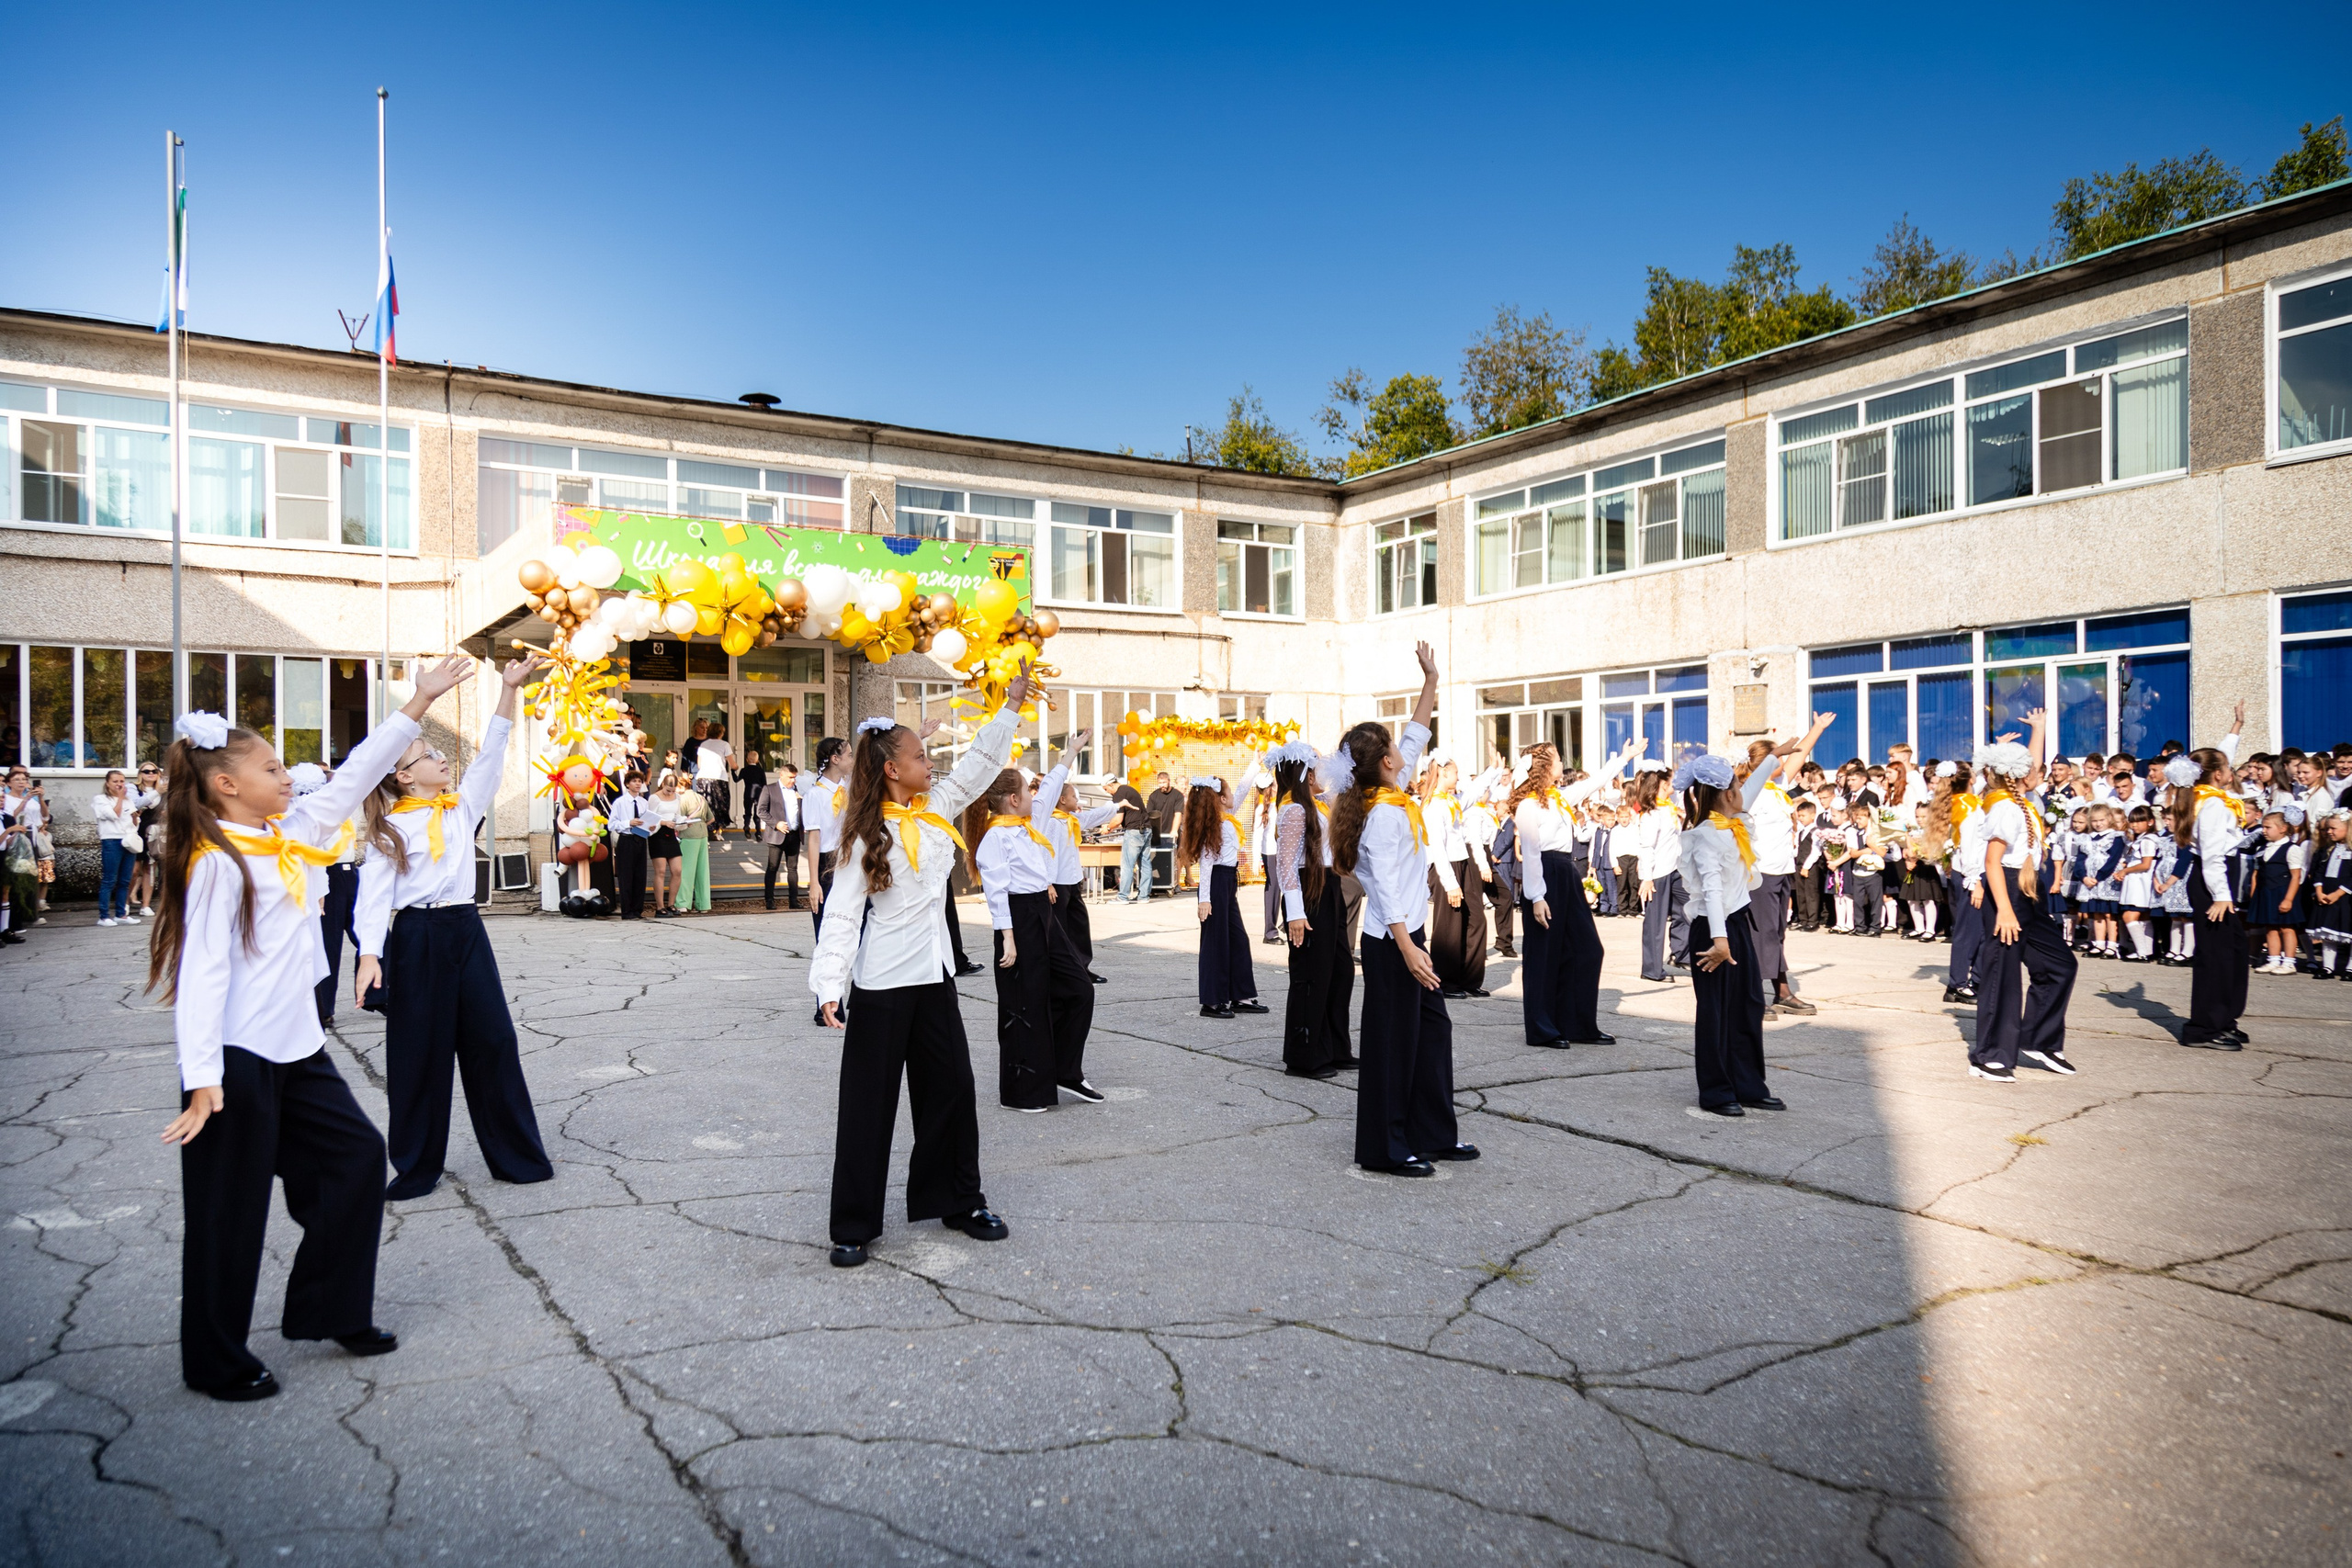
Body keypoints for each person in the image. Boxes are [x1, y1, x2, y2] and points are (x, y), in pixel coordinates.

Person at [151, 656, 471, 1401]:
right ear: (227, 785)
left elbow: (359, 773)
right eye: (270, 766)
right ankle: (215, 1359)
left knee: (356, 1161)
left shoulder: (291, 832)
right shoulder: (217, 863)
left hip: (297, 1050)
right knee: (228, 1213)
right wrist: (201, 1079)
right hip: (233, 1061)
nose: (288, 774)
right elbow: (200, 977)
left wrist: (419, 700)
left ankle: (331, 1309)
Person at [811, 677, 1036, 1268]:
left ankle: (959, 1201)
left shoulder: (936, 808)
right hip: (882, 986)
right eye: (918, 755)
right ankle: (854, 1224)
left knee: (952, 1095)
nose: (929, 762)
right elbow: (841, 913)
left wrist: (1010, 707)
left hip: (934, 982)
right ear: (890, 769)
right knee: (868, 1106)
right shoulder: (865, 833)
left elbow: (981, 765)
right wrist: (829, 984)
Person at [354, 654, 555, 1201]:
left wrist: (509, 690)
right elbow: (372, 901)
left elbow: (492, 755)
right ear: (401, 775)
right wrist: (370, 956)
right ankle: (417, 1166)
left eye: (441, 752)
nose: (443, 759)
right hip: (416, 938)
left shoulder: (460, 807)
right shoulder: (388, 828)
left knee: (493, 1041)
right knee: (419, 1054)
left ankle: (515, 1157)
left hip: (466, 930)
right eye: (429, 754)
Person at [1329, 640, 1475, 1177]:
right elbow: (1386, 887)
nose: (1405, 753)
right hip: (1396, 944)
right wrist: (1410, 948)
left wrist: (1431, 681)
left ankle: (1432, 1133)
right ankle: (1384, 1148)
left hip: (1407, 936)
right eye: (1395, 750)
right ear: (1386, 764)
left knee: (1433, 1033)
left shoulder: (1385, 792)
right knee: (1393, 1046)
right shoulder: (1385, 813)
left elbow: (1416, 733)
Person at [1678, 730, 1813, 1116]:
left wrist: (1776, 758)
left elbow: (1752, 788)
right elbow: (1713, 893)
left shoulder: (1731, 817)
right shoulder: (1705, 836)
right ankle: (1717, 1092)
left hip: (1736, 923)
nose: (1742, 788)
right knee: (1716, 1012)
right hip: (1713, 931)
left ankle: (1749, 1085)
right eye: (1736, 784)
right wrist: (1720, 942)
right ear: (1724, 794)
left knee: (1749, 1004)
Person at [965, 757, 1099, 1113]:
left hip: (1042, 913)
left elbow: (1051, 790)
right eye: (1027, 790)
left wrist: (1070, 754)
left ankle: (1064, 1070)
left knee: (1079, 989)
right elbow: (996, 891)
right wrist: (1007, 937)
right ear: (1012, 798)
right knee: (1025, 1005)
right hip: (1019, 921)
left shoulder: (1027, 826)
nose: (1033, 795)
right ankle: (1024, 1092)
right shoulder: (995, 837)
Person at [1511, 732, 1643, 1048]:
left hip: (1566, 873)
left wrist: (1624, 759)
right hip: (1543, 877)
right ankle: (1543, 1029)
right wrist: (1537, 896)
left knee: (1587, 949)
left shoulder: (1557, 798)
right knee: (1544, 955)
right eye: (1557, 758)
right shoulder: (1528, 806)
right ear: (1543, 767)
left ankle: (1578, 1024)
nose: (1561, 762)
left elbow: (1593, 782)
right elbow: (1530, 853)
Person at [1972, 710, 2079, 1082]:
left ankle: (2038, 1039)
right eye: (2031, 770)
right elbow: (1992, 861)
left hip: (2028, 893)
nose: (2040, 773)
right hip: (2009, 892)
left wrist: (2040, 729)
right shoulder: (2003, 805)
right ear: (2016, 776)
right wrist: (2003, 910)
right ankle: (1990, 1055)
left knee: (2061, 965)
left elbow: (2031, 767)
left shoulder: (2023, 799)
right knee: (2002, 975)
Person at [1270, 739, 1352, 1078]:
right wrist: (1295, 913)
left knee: (1340, 971)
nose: (1321, 773)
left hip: (1328, 888)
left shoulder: (1316, 806)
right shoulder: (1293, 810)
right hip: (1308, 894)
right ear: (1303, 773)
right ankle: (1304, 1057)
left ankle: (1334, 1048)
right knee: (1311, 976)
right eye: (1315, 768)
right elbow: (1286, 865)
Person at [1744, 725, 1830, 1017]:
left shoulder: (1777, 788)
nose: (1785, 762)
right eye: (1778, 758)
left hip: (1781, 871)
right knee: (1763, 933)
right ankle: (1753, 995)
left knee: (1777, 933)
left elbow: (1801, 753)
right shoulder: (1750, 792)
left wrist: (1816, 728)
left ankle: (1781, 992)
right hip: (1760, 873)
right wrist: (1774, 756)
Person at [1183, 773, 1266, 1019]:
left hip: (1228, 883)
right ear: (1219, 799)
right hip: (1216, 885)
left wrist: (1254, 765)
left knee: (1238, 940)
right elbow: (1207, 866)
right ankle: (1212, 1001)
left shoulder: (1225, 818)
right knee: (1215, 943)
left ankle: (1241, 995)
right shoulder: (1215, 826)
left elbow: (1239, 791)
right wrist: (1204, 900)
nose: (1233, 797)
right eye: (1227, 794)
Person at [1036, 734, 1111, 981]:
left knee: (1079, 924)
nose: (1078, 802)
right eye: (1074, 797)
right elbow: (1047, 852)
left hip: (1072, 880)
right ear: (1062, 799)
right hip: (1057, 883)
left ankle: (1082, 967)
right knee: (1061, 929)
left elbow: (1091, 818)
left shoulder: (1071, 819)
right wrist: (1047, 881)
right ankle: (1065, 972)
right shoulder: (1053, 823)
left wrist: (1116, 806)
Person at [1422, 757, 1493, 998]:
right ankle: (1446, 982)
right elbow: (1437, 848)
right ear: (1442, 772)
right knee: (1449, 926)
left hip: (1462, 862)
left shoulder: (1451, 800)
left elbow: (1472, 795)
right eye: (1455, 772)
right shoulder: (1433, 806)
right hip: (1445, 866)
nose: (1458, 776)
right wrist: (1450, 884)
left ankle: (1470, 979)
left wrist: (1492, 771)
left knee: (1476, 920)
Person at [1627, 762, 1686, 983]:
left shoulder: (1670, 806)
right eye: (1670, 780)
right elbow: (1646, 847)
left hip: (1676, 868)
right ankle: (1651, 969)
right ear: (1661, 783)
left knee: (1691, 908)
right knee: (1655, 922)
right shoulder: (1651, 813)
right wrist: (1646, 877)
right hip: (1658, 872)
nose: (1674, 783)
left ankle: (1681, 953)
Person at [2245, 807, 2308, 976]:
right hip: (2265, 893)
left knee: (2287, 928)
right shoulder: (2263, 849)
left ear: (2282, 828)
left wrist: (2288, 899)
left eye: (2268, 827)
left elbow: (2296, 876)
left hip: (2283, 892)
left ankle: (2289, 962)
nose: (2264, 831)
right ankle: (2273, 959)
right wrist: (2254, 893)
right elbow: (2256, 874)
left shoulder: (2291, 849)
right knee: (2270, 927)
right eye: (2263, 827)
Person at [1464, 780, 1515, 960]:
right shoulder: (1473, 812)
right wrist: (1484, 865)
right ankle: (1475, 948)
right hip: (1474, 855)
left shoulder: (1487, 811)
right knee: (1475, 903)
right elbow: (1475, 839)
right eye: (1487, 790)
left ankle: (1504, 941)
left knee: (1504, 897)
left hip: (1486, 854)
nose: (1489, 793)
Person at [92, 768, 149, 925]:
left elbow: (134, 823)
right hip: (112, 841)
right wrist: (120, 798)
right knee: (109, 879)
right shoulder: (100, 799)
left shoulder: (128, 801)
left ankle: (121, 914)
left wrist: (136, 817)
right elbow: (113, 814)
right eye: (115, 781)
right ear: (108, 783)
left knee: (125, 879)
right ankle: (104, 916)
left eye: (122, 781)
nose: (119, 784)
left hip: (128, 841)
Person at [2307, 810, 2352, 978]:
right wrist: (2319, 890)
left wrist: (2339, 893)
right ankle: (2327, 967)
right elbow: (2318, 871)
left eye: (2333, 828)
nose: (2329, 832)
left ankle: (2350, 968)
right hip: (2326, 895)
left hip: (2346, 898)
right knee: (2328, 934)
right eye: (2327, 829)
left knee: (2348, 932)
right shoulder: (2327, 849)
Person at [607, 772, 655, 919]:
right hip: (626, 839)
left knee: (640, 876)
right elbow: (611, 824)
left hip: (640, 839)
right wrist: (628, 822)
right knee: (626, 876)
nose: (638, 784)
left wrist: (650, 827)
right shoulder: (620, 802)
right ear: (628, 784)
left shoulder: (643, 802)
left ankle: (637, 909)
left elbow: (648, 820)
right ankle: (627, 911)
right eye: (634, 781)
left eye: (640, 781)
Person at [758, 765, 803, 910]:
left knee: (793, 868)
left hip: (794, 834)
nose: (793, 780)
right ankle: (769, 900)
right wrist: (775, 824)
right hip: (777, 834)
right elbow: (761, 811)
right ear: (782, 775)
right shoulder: (770, 789)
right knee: (773, 867)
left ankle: (794, 901)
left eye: (795, 777)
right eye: (790, 777)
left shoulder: (798, 790)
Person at [130, 760, 165, 917]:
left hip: (155, 832)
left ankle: (146, 905)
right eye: (146, 771)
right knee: (134, 869)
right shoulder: (133, 788)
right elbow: (135, 804)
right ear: (140, 774)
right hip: (137, 830)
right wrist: (157, 791)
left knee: (150, 868)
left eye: (154, 771)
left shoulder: (165, 791)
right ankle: (124, 902)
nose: (150, 774)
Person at [672, 783, 713, 914]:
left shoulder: (682, 799)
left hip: (688, 834)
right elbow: (711, 819)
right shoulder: (701, 798)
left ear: (681, 787)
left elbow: (679, 819)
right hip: (703, 833)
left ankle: (683, 903)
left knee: (686, 871)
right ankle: (703, 904)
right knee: (702, 871)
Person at [1111, 773, 1151, 902]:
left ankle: (1123, 896)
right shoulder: (1130, 789)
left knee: (1128, 864)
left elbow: (1118, 819)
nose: (1108, 793)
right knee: (1145, 864)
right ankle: (1144, 896)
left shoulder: (1118, 794)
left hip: (1134, 831)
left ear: (1111, 784)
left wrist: (1107, 828)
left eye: (1106, 789)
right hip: (1147, 828)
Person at [1145, 773, 1183, 892]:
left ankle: (1175, 884)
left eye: (1164, 783)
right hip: (1157, 832)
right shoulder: (1153, 796)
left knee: (1175, 857)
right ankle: (1157, 883)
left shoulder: (1177, 795)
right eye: (1160, 783)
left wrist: (1174, 830)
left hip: (1171, 832)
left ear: (1169, 781)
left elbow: (1178, 814)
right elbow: (1149, 815)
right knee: (1155, 857)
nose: (1162, 785)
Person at [694, 720, 733, 836]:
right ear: (721, 733)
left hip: (703, 778)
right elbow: (733, 764)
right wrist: (736, 767)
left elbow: (699, 764)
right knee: (721, 804)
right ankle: (718, 829)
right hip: (718, 778)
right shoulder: (724, 744)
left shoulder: (703, 744)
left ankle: (705, 828)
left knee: (705, 803)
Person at [738, 749, 769, 838]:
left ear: (747, 760)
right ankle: (758, 832)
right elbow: (764, 784)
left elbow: (736, 780)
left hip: (748, 793)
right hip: (758, 794)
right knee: (757, 813)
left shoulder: (744, 770)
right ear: (757, 760)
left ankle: (747, 826)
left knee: (747, 812)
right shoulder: (760, 770)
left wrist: (732, 771)